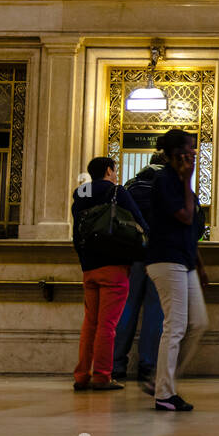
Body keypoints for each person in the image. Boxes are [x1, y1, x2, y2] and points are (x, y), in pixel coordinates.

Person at [71, 156, 148, 392]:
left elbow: (78, 226)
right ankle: (103, 376)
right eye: (114, 170)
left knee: (90, 323)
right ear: (108, 170)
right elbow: (139, 221)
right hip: (114, 266)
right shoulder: (117, 192)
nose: (116, 175)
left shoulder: (80, 194)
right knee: (108, 324)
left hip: (89, 267)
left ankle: (82, 375)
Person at [146, 128, 209, 412]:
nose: (194, 154)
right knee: (176, 326)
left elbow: (193, 231)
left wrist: (200, 265)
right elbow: (183, 218)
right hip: (165, 259)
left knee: (198, 323)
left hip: (184, 260)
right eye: (190, 149)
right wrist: (186, 180)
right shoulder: (165, 181)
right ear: (177, 154)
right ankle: (164, 392)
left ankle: (163, 378)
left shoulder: (184, 184)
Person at [112, 151, 165, 383]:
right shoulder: (169, 186)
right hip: (159, 256)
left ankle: (117, 365)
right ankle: (147, 365)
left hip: (131, 256)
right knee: (155, 312)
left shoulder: (130, 186)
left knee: (126, 309)